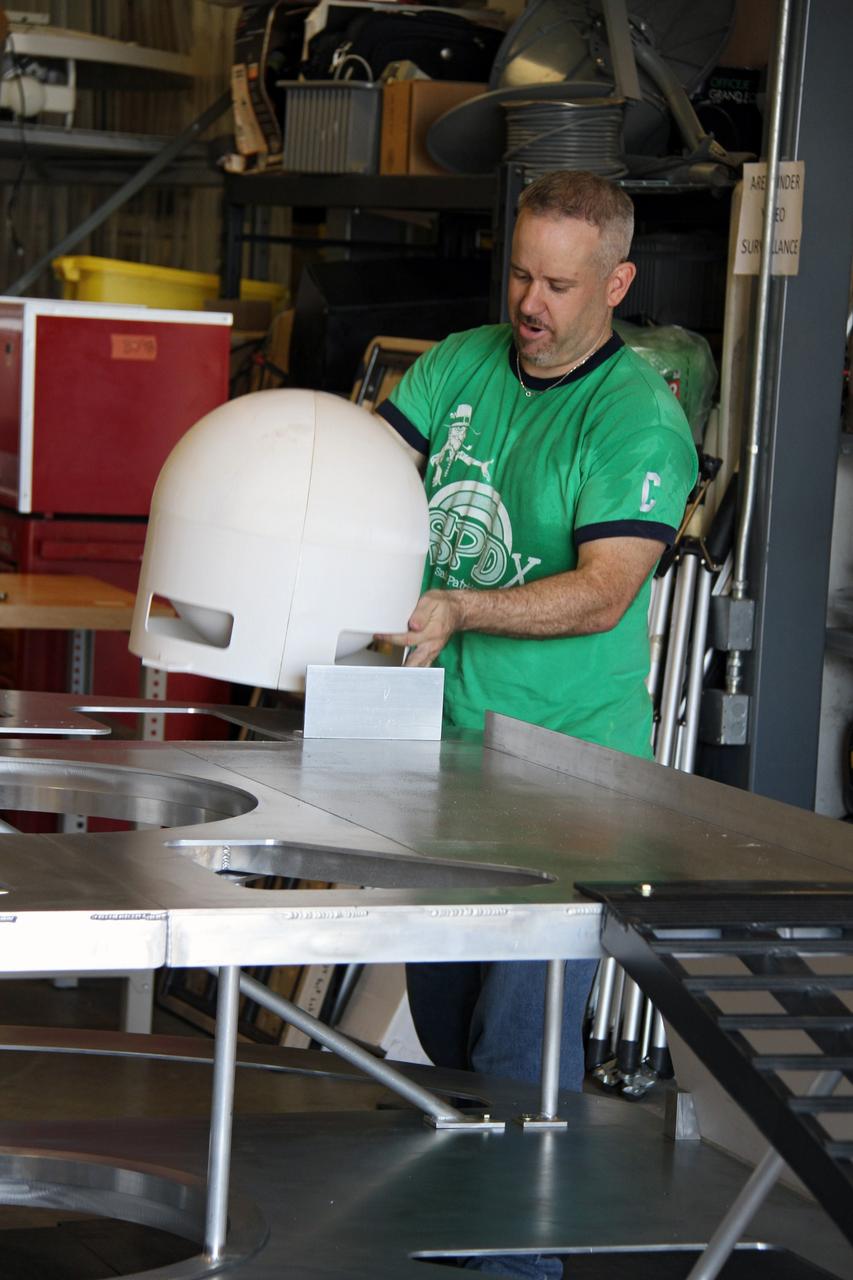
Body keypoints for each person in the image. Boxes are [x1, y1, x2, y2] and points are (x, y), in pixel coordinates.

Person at [375, 170, 698, 1278]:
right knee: (448, 1040)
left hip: (566, 788)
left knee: (516, 1058)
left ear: (615, 282)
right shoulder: (456, 364)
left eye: (558, 283)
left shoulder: (638, 414)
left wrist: (461, 604)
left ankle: (514, 1265)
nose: (530, 301)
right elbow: (365, 484)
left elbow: (605, 590)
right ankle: (457, 1251)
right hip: (435, 763)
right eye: (519, 271)